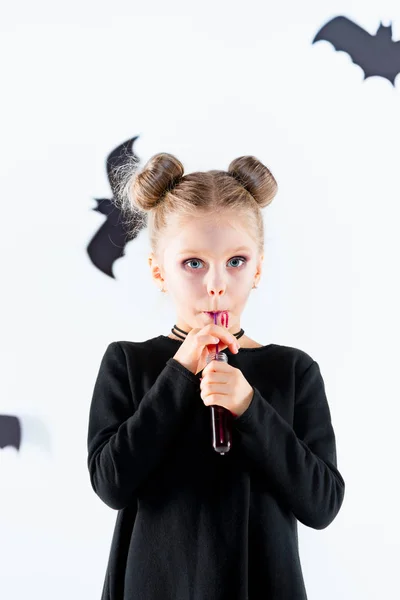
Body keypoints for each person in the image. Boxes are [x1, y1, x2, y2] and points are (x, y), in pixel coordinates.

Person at [87, 153, 345, 600]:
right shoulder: (128, 363)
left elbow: (321, 504)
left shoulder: (293, 370)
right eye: (193, 263)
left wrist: (250, 407)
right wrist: (179, 373)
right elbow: (112, 483)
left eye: (237, 261)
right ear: (157, 271)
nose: (216, 283)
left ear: (259, 268)